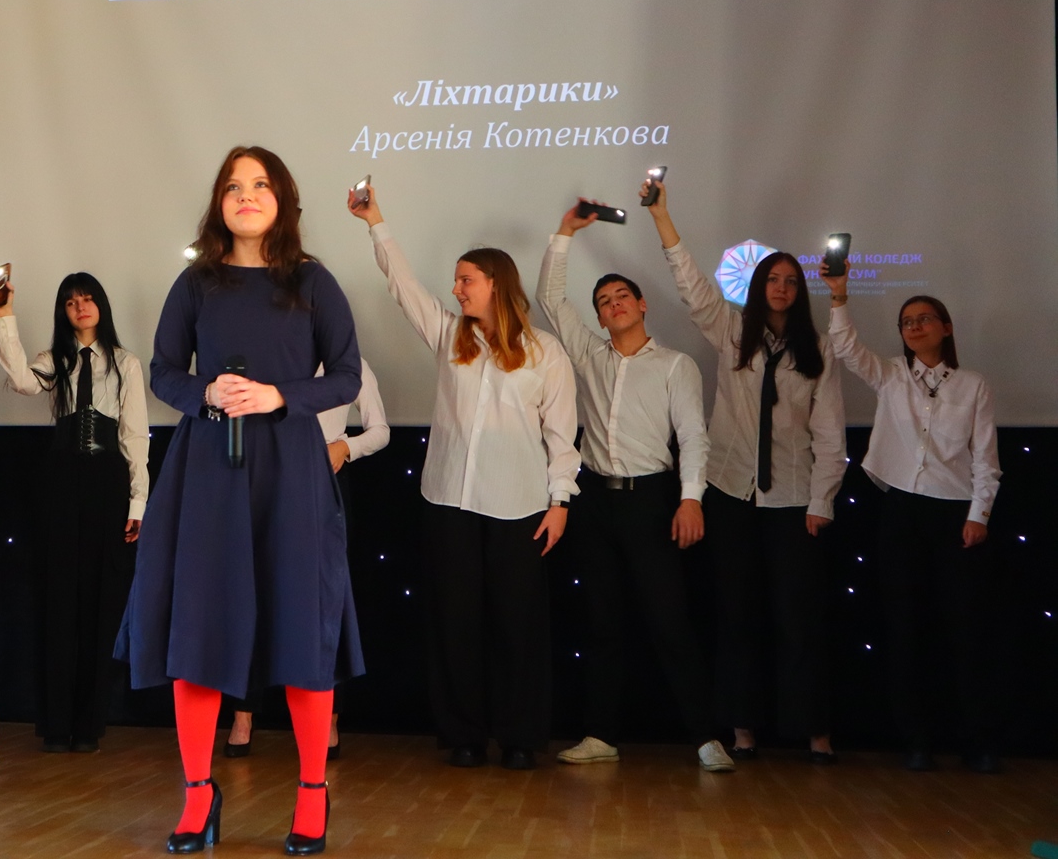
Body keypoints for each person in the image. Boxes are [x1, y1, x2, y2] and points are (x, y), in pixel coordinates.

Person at [114, 146, 363, 855]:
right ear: (219, 203)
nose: (245, 195)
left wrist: (282, 395)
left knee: (302, 626)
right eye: (232, 186)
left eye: (259, 185)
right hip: (207, 473)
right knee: (198, 628)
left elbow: (346, 375)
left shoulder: (312, 281)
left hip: (291, 471)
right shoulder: (197, 282)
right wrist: (205, 393)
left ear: (281, 199)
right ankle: (198, 794)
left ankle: (311, 792)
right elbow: (163, 370)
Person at [348, 183, 580, 771]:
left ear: (496, 283)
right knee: (455, 623)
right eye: (455, 281)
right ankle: (464, 735)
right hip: (448, 500)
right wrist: (376, 221)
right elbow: (403, 286)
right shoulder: (451, 335)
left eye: (465, 279)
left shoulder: (546, 352)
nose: (456, 288)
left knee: (517, 625)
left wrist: (560, 502)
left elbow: (562, 435)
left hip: (519, 506)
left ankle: (521, 736)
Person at [644, 180, 845, 763]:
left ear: (799, 292)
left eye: (790, 281)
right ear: (757, 287)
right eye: (772, 279)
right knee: (737, 617)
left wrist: (822, 501)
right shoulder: (733, 331)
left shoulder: (819, 349)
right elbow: (691, 284)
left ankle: (813, 729)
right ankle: (743, 727)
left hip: (793, 498)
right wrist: (662, 217)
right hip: (731, 493)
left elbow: (830, 434)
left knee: (798, 619)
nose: (781, 288)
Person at [537, 201, 733, 773]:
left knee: (670, 622)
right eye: (603, 301)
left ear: (642, 305)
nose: (613, 304)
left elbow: (693, 436)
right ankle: (600, 734)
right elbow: (551, 299)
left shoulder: (675, 365)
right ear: (600, 318)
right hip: (596, 500)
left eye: (622, 295)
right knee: (600, 623)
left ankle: (705, 737)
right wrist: (565, 232)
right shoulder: (587, 354)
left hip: (653, 500)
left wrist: (691, 498)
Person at [820, 267, 1001, 773]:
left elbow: (986, 460)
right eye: (907, 322)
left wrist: (979, 514)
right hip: (901, 512)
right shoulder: (892, 376)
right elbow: (846, 348)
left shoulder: (973, 385)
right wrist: (839, 295)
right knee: (904, 630)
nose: (915, 327)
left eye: (924, 319)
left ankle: (977, 741)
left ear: (946, 327)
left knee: (964, 632)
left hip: (955, 515)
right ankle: (916, 741)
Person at [0, 271, 148, 753]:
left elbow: (134, 436)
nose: (81, 306)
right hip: (60, 482)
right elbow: (21, 382)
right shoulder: (53, 359)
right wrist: (4, 316)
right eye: (71, 301)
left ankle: (88, 726)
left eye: (88, 298)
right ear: (64, 310)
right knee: (58, 601)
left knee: (101, 601)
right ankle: (55, 725)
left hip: (108, 483)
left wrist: (138, 502)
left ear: (101, 304)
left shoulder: (125, 363)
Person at [224, 359, 390, 760]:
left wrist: (345, 447)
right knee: (255, 595)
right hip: (268, 474)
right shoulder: (273, 352)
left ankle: (327, 719)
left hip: (324, 479)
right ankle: (243, 716)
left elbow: (380, 430)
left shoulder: (350, 364)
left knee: (324, 603)